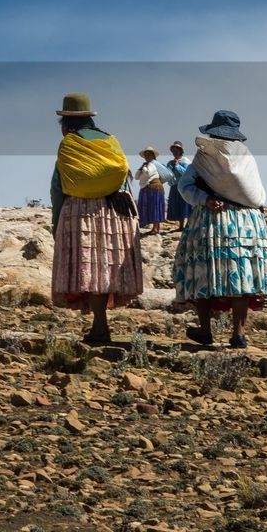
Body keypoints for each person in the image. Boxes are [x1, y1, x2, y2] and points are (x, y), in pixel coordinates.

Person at [50, 92, 144, 344]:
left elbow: (58, 186)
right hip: (115, 210)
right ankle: (100, 325)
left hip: (80, 212)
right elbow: (122, 173)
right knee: (105, 266)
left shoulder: (69, 144)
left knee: (90, 267)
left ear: (66, 123)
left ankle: (100, 326)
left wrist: (56, 221)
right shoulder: (110, 141)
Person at [174, 110, 267, 349]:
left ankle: (206, 330)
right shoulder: (246, 156)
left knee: (204, 272)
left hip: (212, 218)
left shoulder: (205, 156)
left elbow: (185, 185)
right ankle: (238, 333)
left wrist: (204, 198)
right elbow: (254, 192)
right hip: (245, 221)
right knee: (241, 273)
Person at [134, 146, 167, 235]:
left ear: (153, 156)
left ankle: (156, 228)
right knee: (151, 207)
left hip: (154, 188)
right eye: (146, 154)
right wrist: (141, 168)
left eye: (149, 154)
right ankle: (155, 228)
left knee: (154, 207)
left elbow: (148, 173)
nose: (147, 156)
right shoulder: (146, 165)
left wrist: (144, 167)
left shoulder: (152, 164)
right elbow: (136, 177)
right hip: (148, 188)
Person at [165, 141, 192, 223]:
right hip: (174, 186)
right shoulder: (170, 162)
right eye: (173, 151)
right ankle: (180, 225)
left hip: (184, 186)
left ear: (180, 151)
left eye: (176, 150)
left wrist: (177, 166)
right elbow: (168, 174)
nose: (174, 152)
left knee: (185, 205)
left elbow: (187, 173)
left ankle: (188, 225)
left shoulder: (186, 161)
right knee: (177, 205)